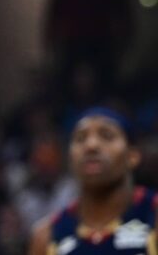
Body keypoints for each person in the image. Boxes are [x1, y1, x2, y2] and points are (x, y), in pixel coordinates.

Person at [28, 108, 157, 254]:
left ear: (132, 156)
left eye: (107, 136)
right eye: (80, 138)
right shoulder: (46, 236)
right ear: (70, 158)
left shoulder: (153, 213)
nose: (91, 146)